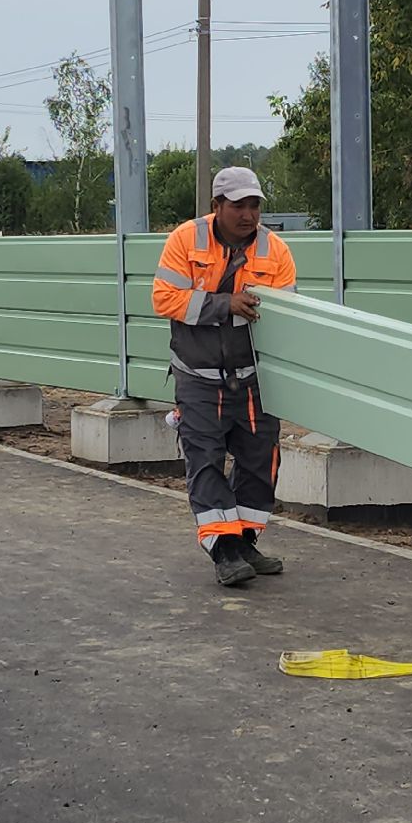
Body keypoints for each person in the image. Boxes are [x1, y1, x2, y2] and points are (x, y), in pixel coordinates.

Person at [151, 167, 298, 586]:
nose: (248, 214)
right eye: (238, 206)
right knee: (206, 461)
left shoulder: (276, 251)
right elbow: (164, 298)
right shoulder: (185, 240)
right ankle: (223, 551)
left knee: (260, 463)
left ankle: (245, 542)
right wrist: (224, 305)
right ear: (216, 207)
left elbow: (284, 316)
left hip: (253, 378)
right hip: (198, 376)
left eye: (254, 206)